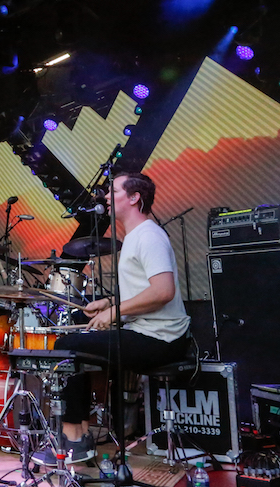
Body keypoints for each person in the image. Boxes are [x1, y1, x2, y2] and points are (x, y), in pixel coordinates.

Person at [39, 171, 191, 464]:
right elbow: (145, 289)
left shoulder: (149, 236)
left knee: (66, 347)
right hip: (149, 333)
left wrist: (114, 312)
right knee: (76, 346)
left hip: (162, 339)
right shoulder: (136, 236)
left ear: (135, 198)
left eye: (114, 192)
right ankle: (79, 435)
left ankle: (73, 440)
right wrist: (108, 302)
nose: (105, 197)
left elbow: (163, 291)